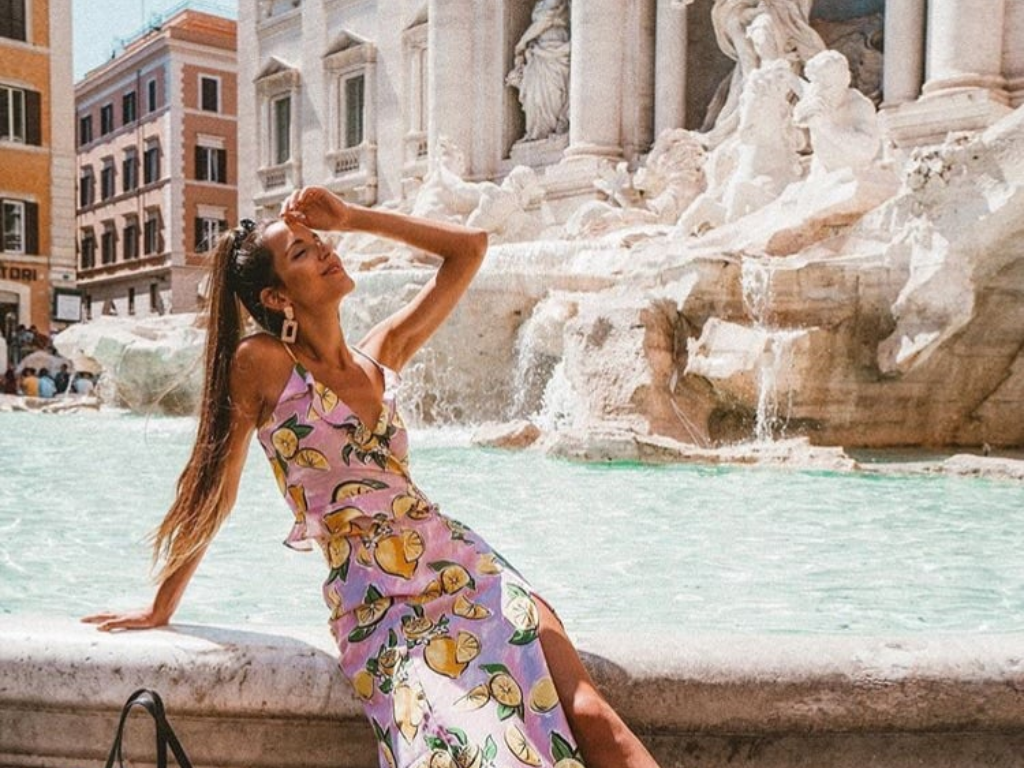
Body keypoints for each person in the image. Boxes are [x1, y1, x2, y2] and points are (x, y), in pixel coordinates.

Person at [83, 187, 661, 768]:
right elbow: (218, 485)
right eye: (302, 252)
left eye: (318, 241)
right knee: (461, 749)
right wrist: (162, 605)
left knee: (591, 714)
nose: (325, 250)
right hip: (380, 604)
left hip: (465, 568)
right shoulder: (263, 363)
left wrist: (351, 217)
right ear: (277, 297)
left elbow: (469, 249)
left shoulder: (380, 355)